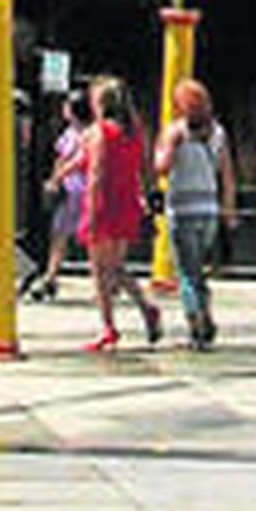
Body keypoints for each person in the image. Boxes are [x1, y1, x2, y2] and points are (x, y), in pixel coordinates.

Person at [71, 75, 161, 353]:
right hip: (126, 202)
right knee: (116, 266)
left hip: (104, 202)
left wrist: (92, 206)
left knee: (99, 270)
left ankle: (108, 326)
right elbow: (145, 168)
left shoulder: (100, 132)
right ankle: (145, 307)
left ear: (100, 103)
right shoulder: (134, 131)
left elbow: (95, 171)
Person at [154, 78, 238, 350]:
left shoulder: (175, 132)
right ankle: (205, 311)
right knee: (198, 269)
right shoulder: (218, 133)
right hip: (209, 209)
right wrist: (228, 209)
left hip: (182, 208)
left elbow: (162, 167)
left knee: (187, 273)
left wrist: (163, 150)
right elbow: (227, 175)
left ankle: (197, 323)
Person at [25, 89, 91, 302]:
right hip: (82, 188)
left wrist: (55, 179)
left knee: (61, 236)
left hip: (74, 189)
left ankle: (50, 276)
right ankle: (108, 279)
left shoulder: (77, 134)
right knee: (81, 236)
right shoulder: (82, 133)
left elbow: (67, 160)